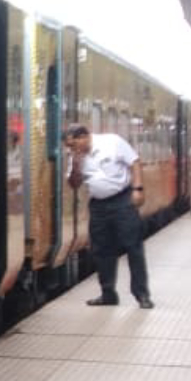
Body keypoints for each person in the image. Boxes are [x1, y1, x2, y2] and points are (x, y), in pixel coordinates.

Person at [65, 123, 152, 308]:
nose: (71, 149)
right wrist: (76, 165)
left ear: (84, 136)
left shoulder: (112, 142)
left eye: (73, 145)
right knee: (101, 250)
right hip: (98, 205)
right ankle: (108, 293)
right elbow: (74, 184)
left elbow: (134, 162)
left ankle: (141, 294)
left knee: (133, 247)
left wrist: (138, 189)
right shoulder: (76, 158)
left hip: (123, 200)